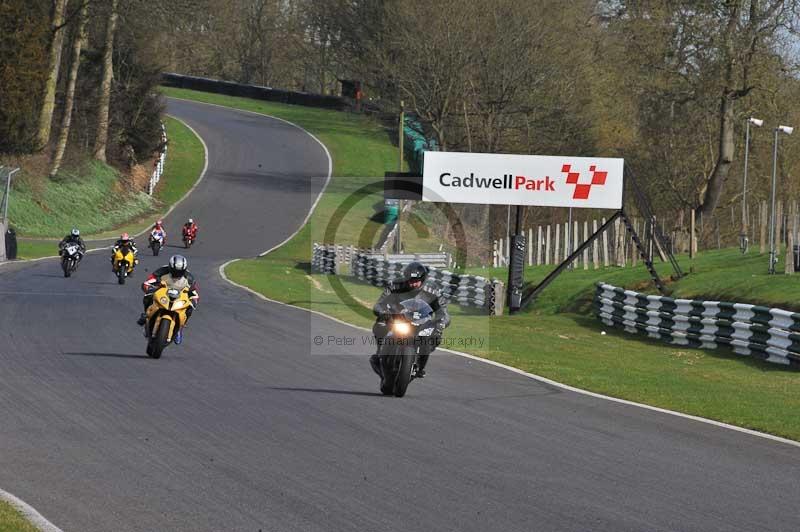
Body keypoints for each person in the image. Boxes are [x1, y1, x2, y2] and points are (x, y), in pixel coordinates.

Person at [369, 261, 450, 379]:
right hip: (397, 318)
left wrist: (441, 323)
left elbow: (444, 313)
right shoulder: (395, 285)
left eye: (416, 281)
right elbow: (379, 305)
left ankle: (420, 365)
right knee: (380, 325)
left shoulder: (434, 291)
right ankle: (380, 354)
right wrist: (383, 312)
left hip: (422, 321)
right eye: (410, 281)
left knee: (436, 335)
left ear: (423, 279)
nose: (413, 284)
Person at [137, 254, 199, 344]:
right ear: (170, 267)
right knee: (148, 296)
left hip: (179, 296)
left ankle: (180, 327)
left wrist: (194, 300)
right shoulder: (162, 271)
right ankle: (146, 315)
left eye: (180, 272)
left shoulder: (189, 277)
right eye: (175, 271)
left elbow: (195, 291)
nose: (177, 274)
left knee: (190, 307)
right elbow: (148, 281)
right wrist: (148, 287)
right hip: (162, 292)